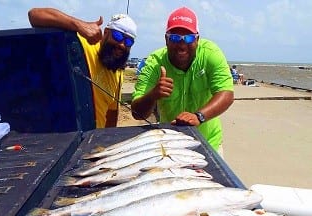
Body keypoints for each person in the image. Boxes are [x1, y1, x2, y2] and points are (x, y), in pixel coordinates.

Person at [131, 7, 234, 154]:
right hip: (170, 145)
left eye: (189, 38)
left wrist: (199, 116)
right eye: (174, 38)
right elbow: (136, 113)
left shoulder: (211, 54)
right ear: (166, 39)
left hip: (208, 143)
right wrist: (153, 94)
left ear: (197, 39)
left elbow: (226, 94)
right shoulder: (154, 63)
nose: (181, 44)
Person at [28, 8, 137, 128]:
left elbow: (111, 114)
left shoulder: (118, 73)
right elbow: (34, 15)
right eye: (117, 36)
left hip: (93, 142)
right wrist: (79, 25)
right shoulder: (82, 43)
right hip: (65, 134)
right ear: (106, 32)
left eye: (128, 42)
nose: (121, 44)